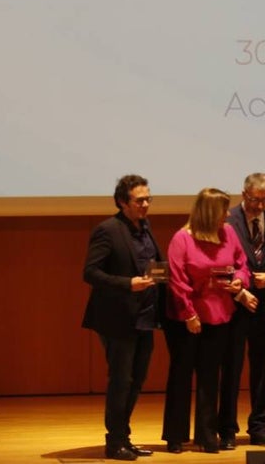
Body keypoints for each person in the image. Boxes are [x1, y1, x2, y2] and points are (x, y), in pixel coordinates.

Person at [162, 187, 258, 454]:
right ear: (209, 212)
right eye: (223, 210)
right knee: (181, 375)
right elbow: (177, 281)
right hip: (187, 317)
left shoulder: (227, 233)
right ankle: (175, 436)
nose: (228, 215)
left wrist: (240, 279)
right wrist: (189, 314)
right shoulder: (182, 238)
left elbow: (241, 263)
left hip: (220, 314)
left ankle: (207, 434)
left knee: (209, 377)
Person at [82, 174, 163, 461]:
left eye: (148, 199)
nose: (145, 205)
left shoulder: (145, 228)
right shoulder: (107, 230)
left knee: (137, 380)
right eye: (139, 200)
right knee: (121, 380)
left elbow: (152, 264)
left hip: (145, 316)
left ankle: (124, 437)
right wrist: (128, 283)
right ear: (122, 202)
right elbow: (91, 273)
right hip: (118, 318)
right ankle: (114, 441)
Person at [218, 173, 265, 449]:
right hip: (234, 303)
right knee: (231, 367)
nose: (259, 206)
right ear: (243, 194)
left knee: (263, 368)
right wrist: (240, 289)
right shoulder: (227, 221)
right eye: (254, 200)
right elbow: (220, 262)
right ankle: (227, 429)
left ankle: (259, 427)